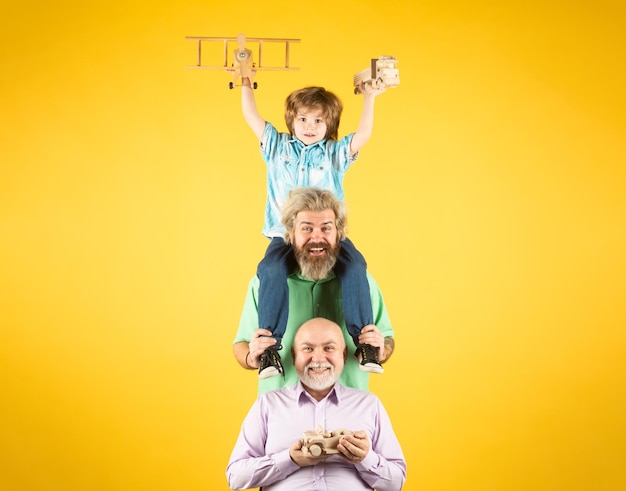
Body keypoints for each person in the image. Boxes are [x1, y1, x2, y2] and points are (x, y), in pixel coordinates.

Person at [241, 78, 387, 378]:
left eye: (318, 120)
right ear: (292, 120)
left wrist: (370, 97)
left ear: (329, 124)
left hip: (329, 236)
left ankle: (366, 344)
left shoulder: (334, 154)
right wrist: (245, 82)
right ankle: (269, 350)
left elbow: (364, 134)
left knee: (355, 265)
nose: (310, 126)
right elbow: (251, 117)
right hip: (283, 235)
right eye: (303, 118)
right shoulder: (277, 146)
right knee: (270, 269)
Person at [233, 187, 395, 394]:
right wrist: (250, 355)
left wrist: (382, 349)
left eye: (326, 228)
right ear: (290, 234)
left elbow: (388, 337)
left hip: (349, 408)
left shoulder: (363, 283)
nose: (317, 237)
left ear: (339, 234)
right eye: (307, 228)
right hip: (282, 409)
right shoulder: (263, 284)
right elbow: (241, 344)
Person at [226, 317, 406, 491]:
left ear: (343, 355)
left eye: (329, 348)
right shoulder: (268, 404)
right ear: (293, 355)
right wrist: (289, 459)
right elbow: (235, 477)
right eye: (307, 348)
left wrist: (366, 458)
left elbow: (396, 482)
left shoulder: (369, 404)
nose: (318, 358)